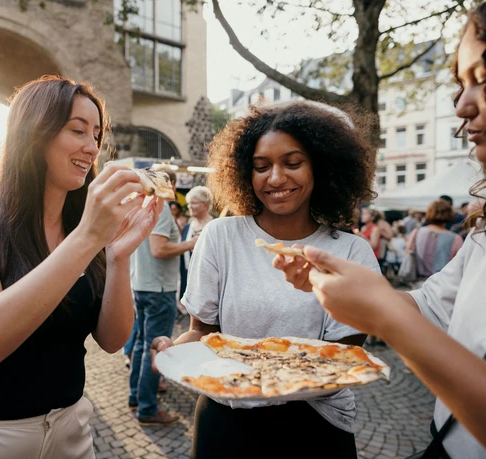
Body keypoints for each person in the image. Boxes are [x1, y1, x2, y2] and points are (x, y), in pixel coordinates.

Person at [0, 75, 163, 459]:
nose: (92, 147)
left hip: (70, 431)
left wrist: (119, 256)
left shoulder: (82, 228)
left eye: (96, 134)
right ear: (34, 134)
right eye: (77, 130)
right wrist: (88, 238)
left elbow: (112, 341)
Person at [273, 4, 486, 455]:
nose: (461, 105)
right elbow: (431, 304)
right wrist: (344, 287)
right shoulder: (483, 230)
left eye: (481, 79)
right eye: (460, 83)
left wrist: (382, 315)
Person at [152, 100, 380, 458]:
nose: (275, 178)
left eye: (292, 163)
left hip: (315, 424)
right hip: (225, 416)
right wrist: (177, 351)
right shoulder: (220, 236)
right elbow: (202, 331)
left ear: (321, 166)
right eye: (261, 166)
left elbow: (344, 357)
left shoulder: (352, 252)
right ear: (245, 172)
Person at [128, 166, 197, 426]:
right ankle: (147, 408)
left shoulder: (142, 205)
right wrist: (191, 244)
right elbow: (159, 249)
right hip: (158, 289)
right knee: (152, 348)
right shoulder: (161, 208)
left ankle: (136, 396)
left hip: (142, 284)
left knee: (141, 344)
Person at [407, 198, 463, 287]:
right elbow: (458, 266)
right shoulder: (455, 238)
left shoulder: (417, 232)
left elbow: (408, 254)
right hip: (442, 285)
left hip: (418, 283)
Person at [178, 185, 214, 310]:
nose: (189, 206)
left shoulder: (215, 227)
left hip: (208, 283)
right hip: (187, 279)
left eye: (194, 203)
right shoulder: (187, 228)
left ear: (205, 205)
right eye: (189, 203)